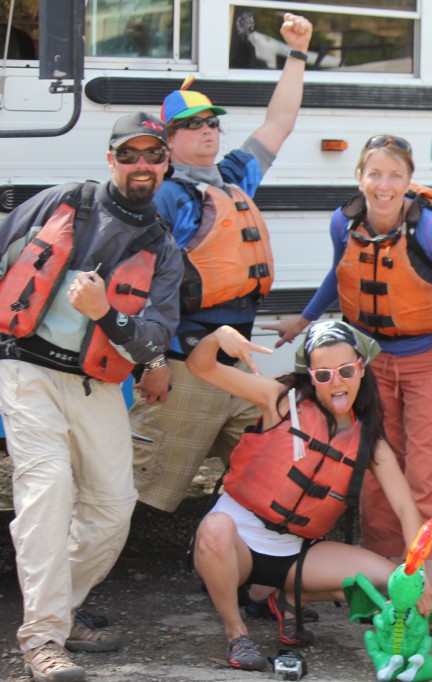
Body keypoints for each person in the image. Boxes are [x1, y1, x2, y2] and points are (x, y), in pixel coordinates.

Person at [261, 134, 432, 599]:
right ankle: (386, 580)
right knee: (379, 472)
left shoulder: (429, 228)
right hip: (371, 363)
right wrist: (304, 319)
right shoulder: (344, 222)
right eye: (375, 174)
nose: (384, 185)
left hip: (427, 363)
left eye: (395, 175)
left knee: (425, 475)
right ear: (360, 177)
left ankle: (427, 590)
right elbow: (339, 275)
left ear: (409, 181)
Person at [0, 112, 183, 682]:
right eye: (129, 155)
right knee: (47, 490)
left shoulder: (164, 248)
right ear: (111, 160)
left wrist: (107, 314)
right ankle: (43, 639)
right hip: (25, 371)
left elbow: (155, 336)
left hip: (96, 384)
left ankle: (56, 608)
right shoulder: (64, 201)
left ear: (166, 165)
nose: (141, 165)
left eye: (152, 155)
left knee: (111, 510)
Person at [130, 12, 313, 514]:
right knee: (134, 490)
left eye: (212, 122)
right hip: (187, 362)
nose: (208, 130)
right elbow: (140, 287)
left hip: (240, 365)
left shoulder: (235, 178)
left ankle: (260, 570)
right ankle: (75, 573)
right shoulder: (166, 199)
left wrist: (296, 52)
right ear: (168, 141)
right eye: (192, 126)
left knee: (274, 477)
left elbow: (279, 122)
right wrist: (150, 364)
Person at [186, 319, 432, 671]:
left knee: (387, 583)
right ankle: (236, 633)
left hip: (293, 554)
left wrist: (415, 574)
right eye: (323, 375)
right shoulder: (279, 400)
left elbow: (405, 507)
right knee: (214, 528)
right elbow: (200, 367)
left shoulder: (369, 439)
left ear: (361, 368)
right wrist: (216, 337)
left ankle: (285, 598)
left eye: (346, 370)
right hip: (234, 543)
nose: (336, 381)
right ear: (311, 376)